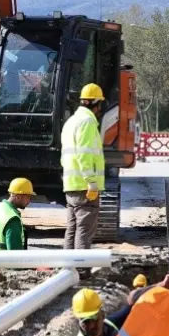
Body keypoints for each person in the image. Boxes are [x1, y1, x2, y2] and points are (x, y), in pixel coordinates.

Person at [61, 83, 106, 250]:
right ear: (96, 104)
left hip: (71, 184)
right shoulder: (87, 122)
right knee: (84, 231)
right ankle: (80, 265)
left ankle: (68, 264)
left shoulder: (71, 121)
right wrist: (91, 181)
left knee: (72, 229)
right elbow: (84, 153)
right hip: (85, 187)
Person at [0, 177, 34, 251]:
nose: (30, 201)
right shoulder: (12, 220)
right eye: (29, 197)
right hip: (0, 258)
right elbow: (15, 254)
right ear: (18, 197)